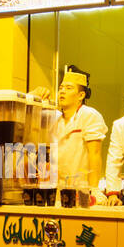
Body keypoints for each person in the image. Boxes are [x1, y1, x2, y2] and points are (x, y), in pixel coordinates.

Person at [51, 64, 106, 196]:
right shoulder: (55, 119)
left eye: (68, 88)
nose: (62, 91)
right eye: (61, 88)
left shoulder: (89, 115)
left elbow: (95, 153)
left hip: (82, 189)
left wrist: (94, 189)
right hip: (58, 189)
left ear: (81, 95)